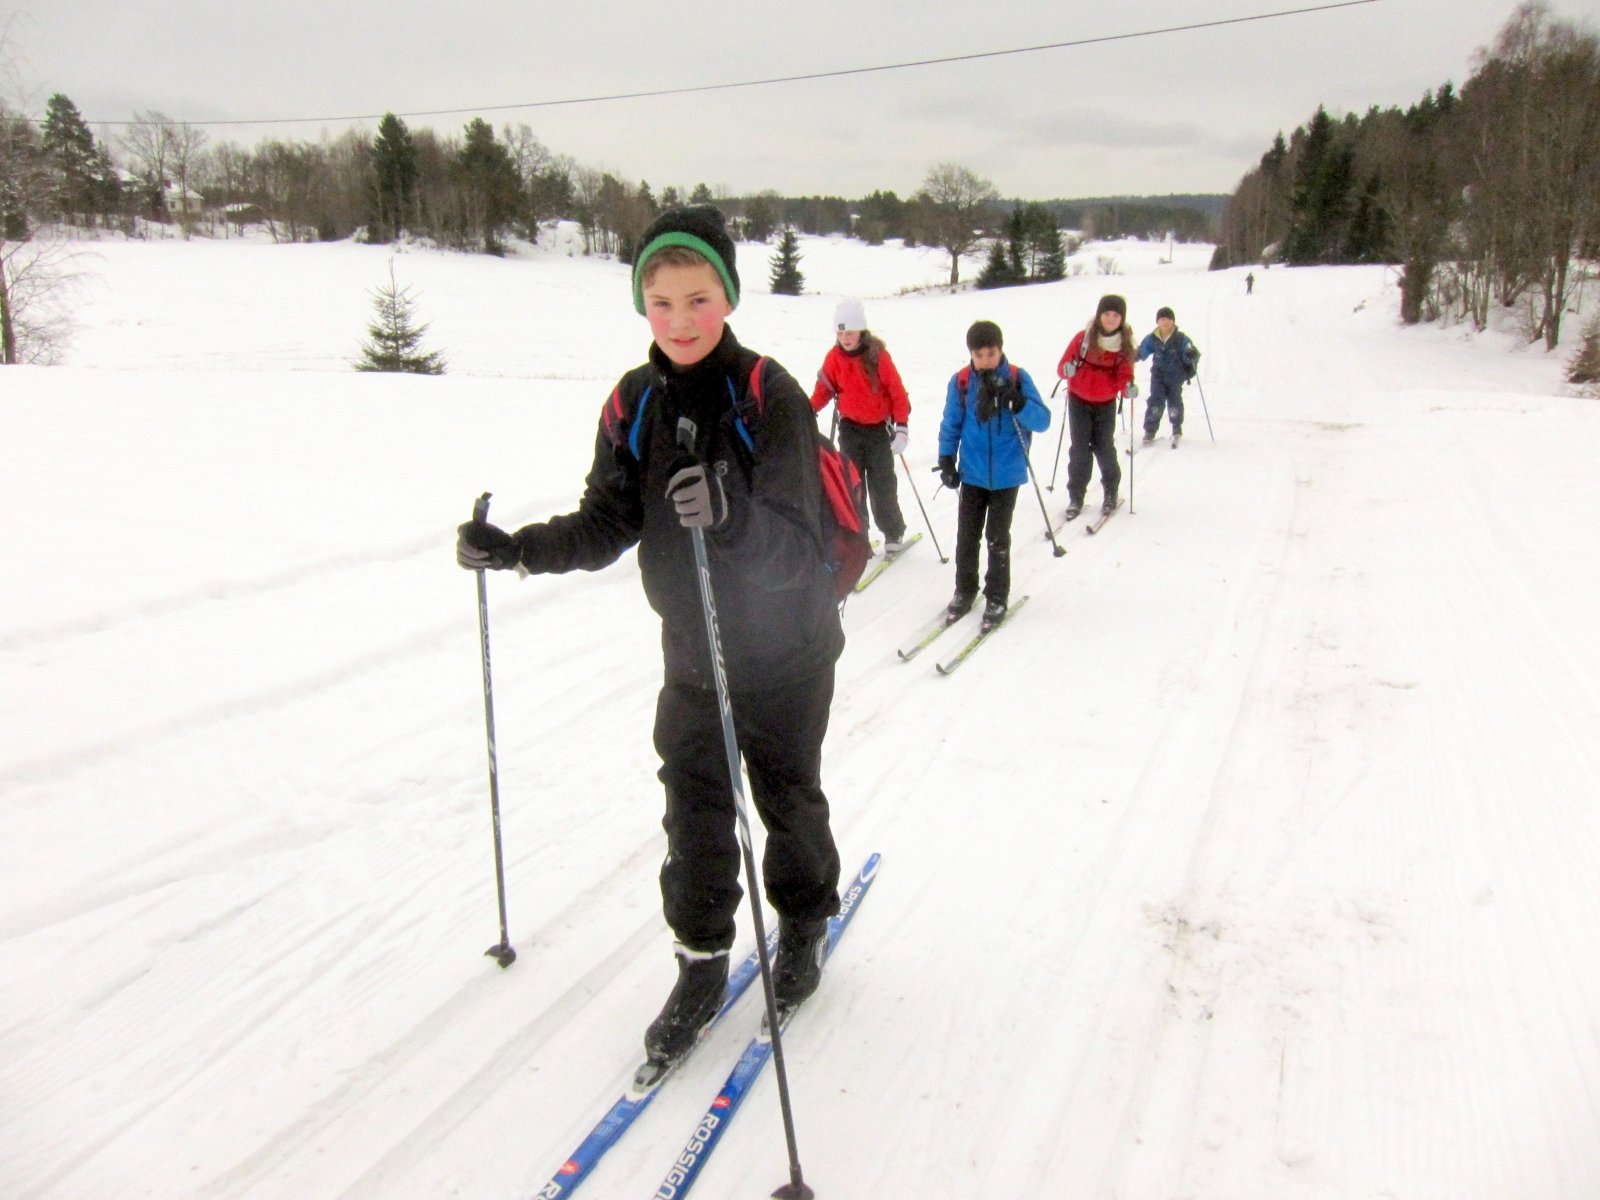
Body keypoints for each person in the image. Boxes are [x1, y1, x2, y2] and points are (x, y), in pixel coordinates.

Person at [455, 205, 843, 1065]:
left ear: (729, 298)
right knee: (694, 816)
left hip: (788, 653)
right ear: (642, 305)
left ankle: (806, 920)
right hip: (694, 656)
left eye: (698, 299)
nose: (680, 320)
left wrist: (733, 515)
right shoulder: (634, 402)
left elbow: (799, 548)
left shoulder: (767, 395)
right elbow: (605, 523)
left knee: (786, 797)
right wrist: (516, 550)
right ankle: (702, 962)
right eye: (661, 302)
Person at [936, 320, 1049, 632]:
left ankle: (997, 595)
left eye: (991, 353)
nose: (985, 360)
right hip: (972, 473)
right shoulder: (960, 382)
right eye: (979, 354)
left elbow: (1043, 421)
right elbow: (951, 422)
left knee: (998, 537)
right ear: (970, 353)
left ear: (1001, 350)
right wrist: (946, 458)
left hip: (1007, 474)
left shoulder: (1017, 378)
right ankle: (965, 588)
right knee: (967, 535)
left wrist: (1019, 402)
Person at [810, 298, 912, 553]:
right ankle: (860, 538)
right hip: (850, 430)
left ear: (861, 331)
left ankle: (893, 533)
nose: (845, 338)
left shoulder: (877, 355)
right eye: (841, 333)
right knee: (853, 486)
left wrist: (902, 427)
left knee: (883, 485)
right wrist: (806, 411)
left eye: (850, 332)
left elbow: (897, 393)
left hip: (879, 431)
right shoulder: (834, 358)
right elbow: (824, 390)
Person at [1056, 294, 1135, 521]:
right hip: (1079, 400)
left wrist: (1127, 387)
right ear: (1099, 315)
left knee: (1104, 447)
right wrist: (1067, 370)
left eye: (1115, 315)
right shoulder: (1083, 339)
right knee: (1079, 449)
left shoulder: (1124, 346)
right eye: (1107, 314)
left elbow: (1125, 375)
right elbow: (1062, 366)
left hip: (1106, 402)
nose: (1110, 319)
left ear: (1122, 319)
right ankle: (1076, 496)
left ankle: (1111, 490)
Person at [1135, 306, 1202, 444]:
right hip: (1158, 375)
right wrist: (1133, 356)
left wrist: (1191, 356)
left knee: (1174, 401)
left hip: (1175, 375)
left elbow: (1191, 354)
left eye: (1168, 319)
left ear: (1173, 321)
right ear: (1158, 321)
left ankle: (1176, 427)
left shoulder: (1181, 338)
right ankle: (1150, 430)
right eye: (1162, 319)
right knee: (1155, 401)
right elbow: (1143, 350)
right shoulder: (1153, 338)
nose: (1166, 322)